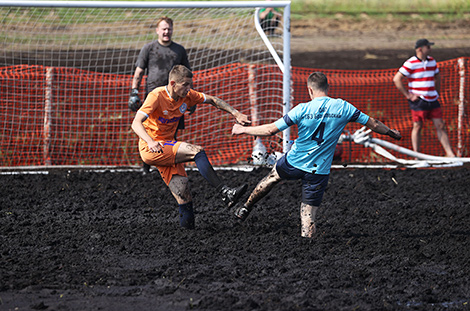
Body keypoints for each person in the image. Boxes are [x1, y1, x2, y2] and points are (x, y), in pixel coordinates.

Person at [231, 72, 402, 238]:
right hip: (318, 170)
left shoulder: (302, 109)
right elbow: (373, 123)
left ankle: (246, 206)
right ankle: (307, 242)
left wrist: (242, 129)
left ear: (310, 90)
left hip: (294, 162)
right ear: (327, 87)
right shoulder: (343, 107)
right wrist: (391, 133)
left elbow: (270, 130)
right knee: (308, 215)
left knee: (272, 177)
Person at [131, 65, 251, 229]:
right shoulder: (156, 95)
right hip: (151, 147)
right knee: (197, 151)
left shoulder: (187, 96)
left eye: (190, 84)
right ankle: (225, 192)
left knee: (183, 192)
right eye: (185, 85)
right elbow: (136, 123)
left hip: (168, 146)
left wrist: (235, 113)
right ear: (173, 83)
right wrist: (150, 141)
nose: (189, 88)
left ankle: (187, 232)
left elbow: (213, 100)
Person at [129, 16, 195, 174]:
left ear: (172, 30)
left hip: (174, 99)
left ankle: (170, 164)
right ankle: (146, 167)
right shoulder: (149, 48)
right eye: (163, 28)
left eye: (169, 28)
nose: (166, 31)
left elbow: (187, 76)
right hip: (153, 97)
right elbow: (139, 72)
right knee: (149, 129)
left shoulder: (179, 50)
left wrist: (191, 98)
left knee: (171, 130)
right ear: (157, 30)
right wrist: (134, 92)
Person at [393, 38, 455, 157]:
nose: (430, 49)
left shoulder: (432, 61)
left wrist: (437, 92)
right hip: (419, 101)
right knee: (418, 126)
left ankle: (450, 153)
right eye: (428, 47)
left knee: (440, 125)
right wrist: (408, 95)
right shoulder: (411, 63)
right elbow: (397, 79)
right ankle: (417, 154)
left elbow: (437, 76)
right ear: (420, 49)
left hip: (432, 99)